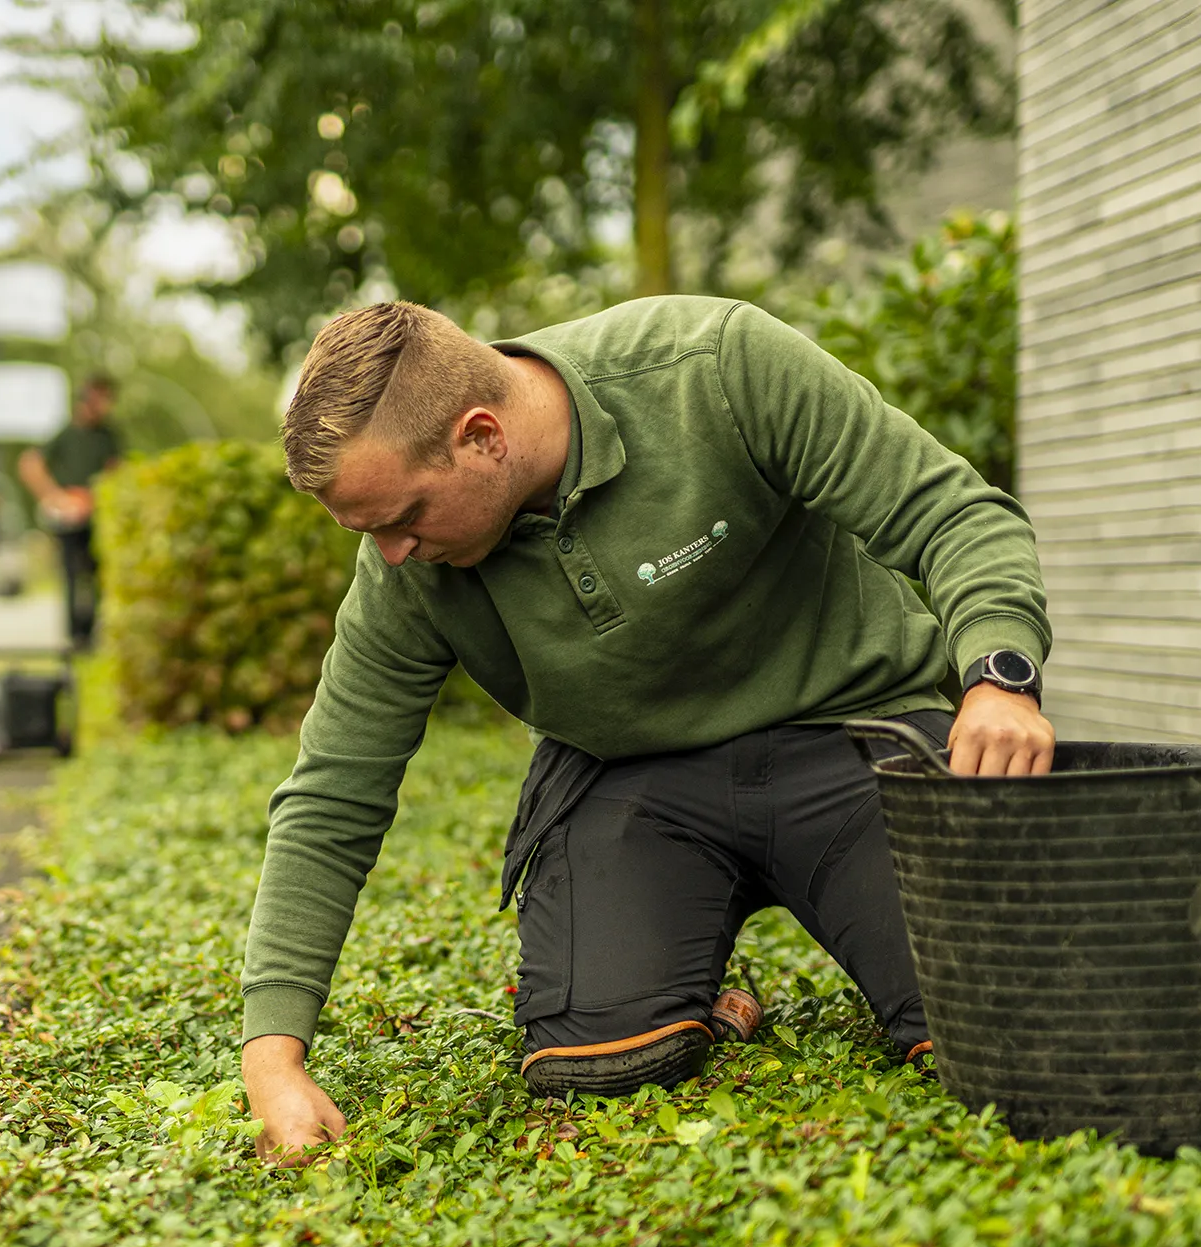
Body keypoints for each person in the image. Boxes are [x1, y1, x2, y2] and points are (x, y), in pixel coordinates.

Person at [242, 298, 1054, 1165]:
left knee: (999, 1027)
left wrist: (999, 679)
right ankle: (703, 983)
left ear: (481, 435)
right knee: (597, 1064)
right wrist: (274, 1058)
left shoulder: (717, 365)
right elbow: (335, 787)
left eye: (403, 518)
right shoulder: (402, 568)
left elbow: (954, 515)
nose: (392, 552)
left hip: (851, 734)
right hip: (632, 782)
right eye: (371, 533)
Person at [17, 375, 124, 650]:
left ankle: (95, 633)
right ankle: (76, 637)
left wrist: (99, 497)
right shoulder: (66, 434)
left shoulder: (109, 435)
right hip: (68, 518)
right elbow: (30, 463)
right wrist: (55, 496)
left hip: (97, 516)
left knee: (98, 576)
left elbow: (116, 470)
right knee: (72, 577)